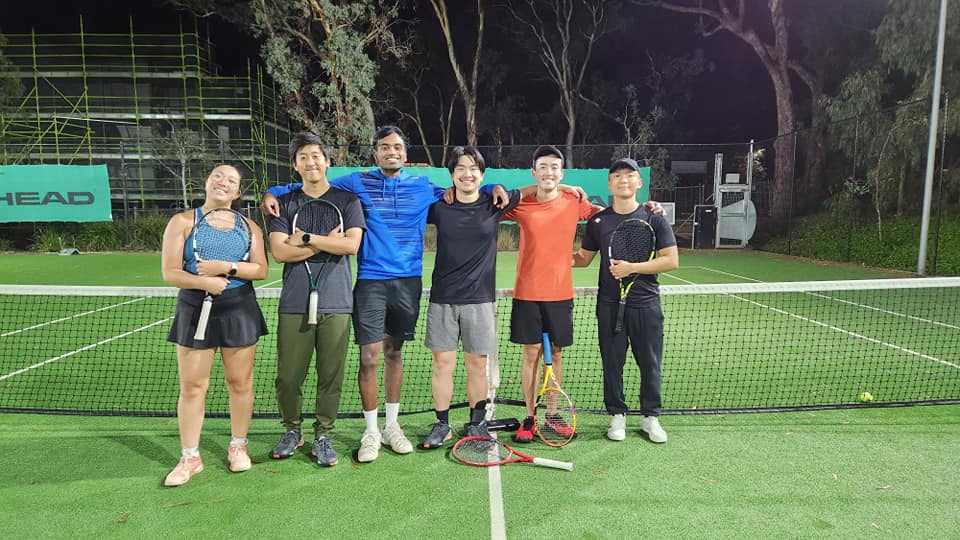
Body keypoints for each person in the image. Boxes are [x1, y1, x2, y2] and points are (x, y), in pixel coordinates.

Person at [260, 126, 506, 463]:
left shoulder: (423, 186)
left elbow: (467, 189)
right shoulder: (356, 182)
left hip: (408, 283)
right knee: (369, 357)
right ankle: (371, 431)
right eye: (385, 147)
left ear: (405, 153)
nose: (391, 152)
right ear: (375, 153)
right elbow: (314, 182)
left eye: (397, 147)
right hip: (371, 282)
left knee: (394, 353)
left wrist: (492, 186)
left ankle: (392, 426)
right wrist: (272, 191)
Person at [160, 164, 269, 486]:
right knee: (193, 386)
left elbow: (260, 269)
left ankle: (238, 446)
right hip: (195, 308)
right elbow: (170, 272)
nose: (223, 182)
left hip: (240, 308)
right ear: (207, 182)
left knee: (240, 383)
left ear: (238, 192)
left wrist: (227, 268)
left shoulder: (250, 227)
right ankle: (190, 457)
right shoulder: (183, 221)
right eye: (218, 176)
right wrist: (203, 282)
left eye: (231, 180)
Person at [267, 132, 365, 467]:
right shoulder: (284, 203)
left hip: (337, 302)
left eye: (316, 156)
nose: (311, 162)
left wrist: (306, 238)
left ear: (327, 161)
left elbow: (350, 245)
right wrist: (326, 242)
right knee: (288, 377)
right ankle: (291, 430)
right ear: (295, 165)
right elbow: (280, 252)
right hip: (295, 301)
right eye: (303, 157)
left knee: (330, 376)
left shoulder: (348, 201)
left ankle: (323, 435)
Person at [420, 146, 522, 449]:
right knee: (442, 365)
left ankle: (477, 424)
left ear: (482, 173)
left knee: (477, 365)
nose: (467, 174)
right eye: (460, 168)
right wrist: (441, 191)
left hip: (480, 300)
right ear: (452, 174)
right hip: (443, 298)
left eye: (473, 168)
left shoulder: (495, 203)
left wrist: (495, 187)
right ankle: (442, 424)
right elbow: (415, 191)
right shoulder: (439, 207)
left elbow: (536, 190)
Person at [501, 145, 604, 443]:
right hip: (527, 292)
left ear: (562, 172)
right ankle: (530, 417)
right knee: (531, 353)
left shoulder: (574, 202)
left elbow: (605, 216)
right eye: (543, 167)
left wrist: (649, 208)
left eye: (555, 167)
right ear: (533, 172)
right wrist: (541, 188)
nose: (549, 172)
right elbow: (495, 202)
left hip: (560, 293)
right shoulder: (522, 205)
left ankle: (553, 414)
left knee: (556, 353)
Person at [573, 158, 678, 443]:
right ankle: (617, 415)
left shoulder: (654, 217)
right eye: (617, 176)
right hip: (609, 305)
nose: (623, 180)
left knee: (650, 363)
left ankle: (650, 417)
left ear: (639, 182)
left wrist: (632, 268)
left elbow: (671, 260)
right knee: (612, 363)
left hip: (646, 304)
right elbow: (582, 259)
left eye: (629, 175)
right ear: (610, 183)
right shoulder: (598, 221)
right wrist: (549, 258)